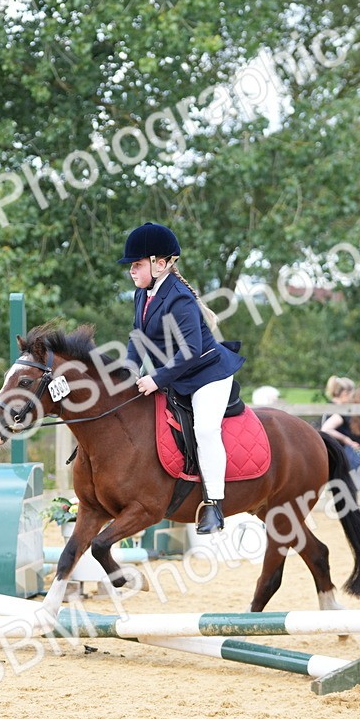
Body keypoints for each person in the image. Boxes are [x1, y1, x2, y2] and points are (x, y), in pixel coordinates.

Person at [120, 222, 245, 534]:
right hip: (177, 375)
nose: (132, 271)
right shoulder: (142, 293)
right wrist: (127, 371)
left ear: (160, 264)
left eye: (137, 264)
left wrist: (156, 378)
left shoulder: (179, 298)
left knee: (204, 428)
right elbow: (138, 337)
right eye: (132, 266)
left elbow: (191, 349)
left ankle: (214, 504)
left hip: (207, 376)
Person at [321, 378, 360, 490]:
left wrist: (346, 440)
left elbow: (325, 428)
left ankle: (352, 482)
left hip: (352, 455)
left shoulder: (348, 410)